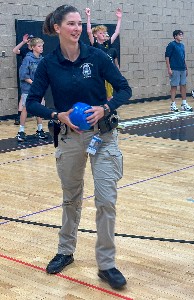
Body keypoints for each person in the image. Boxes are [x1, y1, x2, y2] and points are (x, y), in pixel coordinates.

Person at [26, 5, 132, 289]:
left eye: (77, 24)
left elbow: (125, 89)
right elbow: (32, 101)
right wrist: (55, 115)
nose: (75, 29)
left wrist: (105, 108)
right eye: (70, 24)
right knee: (71, 197)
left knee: (106, 199)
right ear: (57, 28)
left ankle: (107, 264)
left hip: (104, 136)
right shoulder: (48, 64)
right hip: (69, 138)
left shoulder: (97, 56)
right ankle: (65, 251)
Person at [85, 7, 122, 100]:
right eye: (101, 33)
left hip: (107, 74)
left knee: (109, 96)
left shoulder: (107, 44)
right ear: (96, 35)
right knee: (100, 95)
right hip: (97, 74)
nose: (103, 34)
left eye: (104, 33)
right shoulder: (95, 44)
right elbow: (89, 31)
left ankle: (109, 112)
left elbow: (117, 32)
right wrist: (88, 16)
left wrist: (119, 18)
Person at [17, 37, 46, 142]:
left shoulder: (42, 60)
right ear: (33, 47)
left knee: (39, 108)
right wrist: (34, 84)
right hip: (28, 89)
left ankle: (40, 129)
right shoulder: (27, 59)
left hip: (38, 89)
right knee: (25, 108)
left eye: (42, 46)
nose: (41, 48)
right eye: (39, 46)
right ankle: (21, 131)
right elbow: (23, 75)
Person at [165, 30, 192, 112]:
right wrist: (169, 68)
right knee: (174, 86)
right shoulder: (171, 45)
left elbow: (183, 58)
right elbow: (167, 57)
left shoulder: (182, 46)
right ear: (175, 36)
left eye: (182, 35)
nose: (181, 36)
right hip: (174, 68)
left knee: (183, 85)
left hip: (182, 68)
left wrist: (186, 68)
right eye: (180, 35)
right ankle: (173, 104)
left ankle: (184, 103)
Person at [12, 34, 34, 125]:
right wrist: (23, 42)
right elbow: (14, 50)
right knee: (24, 97)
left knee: (40, 97)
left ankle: (39, 117)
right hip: (26, 76)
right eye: (30, 40)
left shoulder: (37, 51)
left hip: (34, 76)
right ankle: (19, 116)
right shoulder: (25, 51)